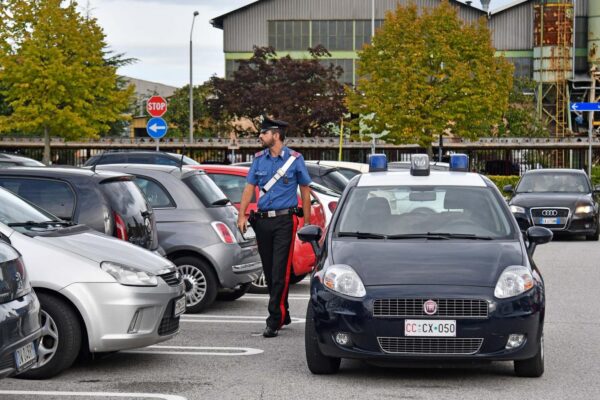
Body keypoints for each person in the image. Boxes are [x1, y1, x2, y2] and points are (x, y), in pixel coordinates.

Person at [237, 116, 312, 338]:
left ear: (276, 135)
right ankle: (284, 311)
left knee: (280, 271)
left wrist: (307, 224)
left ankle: (274, 320)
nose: (260, 136)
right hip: (262, 221)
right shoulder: (259, 159)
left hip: (283, 222)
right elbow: (249, 188)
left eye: (263, 133)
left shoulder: (295, 159)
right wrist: (241, 215)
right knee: (270, 272)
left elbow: (306, 193)